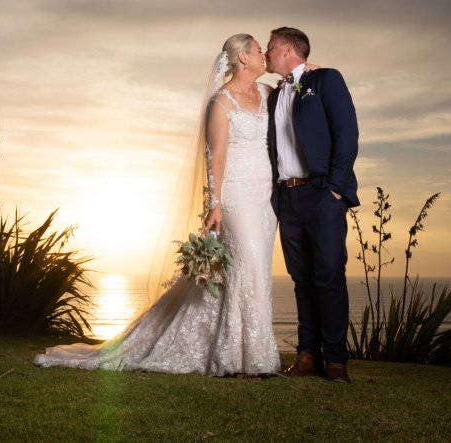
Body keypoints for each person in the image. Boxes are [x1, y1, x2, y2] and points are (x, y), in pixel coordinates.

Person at [34, 34, 283, 376]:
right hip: (236, 195)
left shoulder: (269, 94)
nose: (263, 55)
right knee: (247, 262)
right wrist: (215, 202)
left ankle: (250, 353)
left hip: (264, 195)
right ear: (242, 58)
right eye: (258, 50)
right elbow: (217, 156)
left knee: (254, 268)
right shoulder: (222, 103)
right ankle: (242, 359)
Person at [264, 26, 359, 384]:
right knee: (301, 279)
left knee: (330, 277)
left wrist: (335, 188)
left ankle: (336, 361)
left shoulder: (326, 81)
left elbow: (346, 134)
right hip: (287, 198)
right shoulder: (273, 96)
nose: (266, 54)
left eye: (270, 47)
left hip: (322, 194)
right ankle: (308, 356)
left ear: (288, 49)